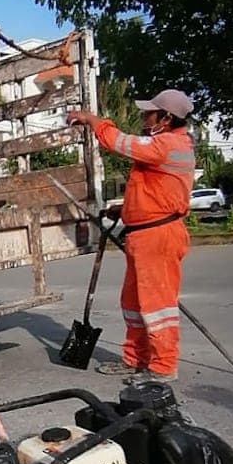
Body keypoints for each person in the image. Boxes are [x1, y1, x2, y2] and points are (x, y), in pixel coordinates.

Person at [67, 89, 195, 383]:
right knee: (135, 302)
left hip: (158, 236)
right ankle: (136, 358)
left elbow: (117, 141)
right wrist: (125, 209)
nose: (143, 116)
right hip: (145, 233)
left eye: (149, 112)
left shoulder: (167, 144)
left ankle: (163, 367)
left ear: (165, 117)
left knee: (157, 304)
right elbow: (158, 192)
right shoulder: (168, 145)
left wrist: (90, 119)